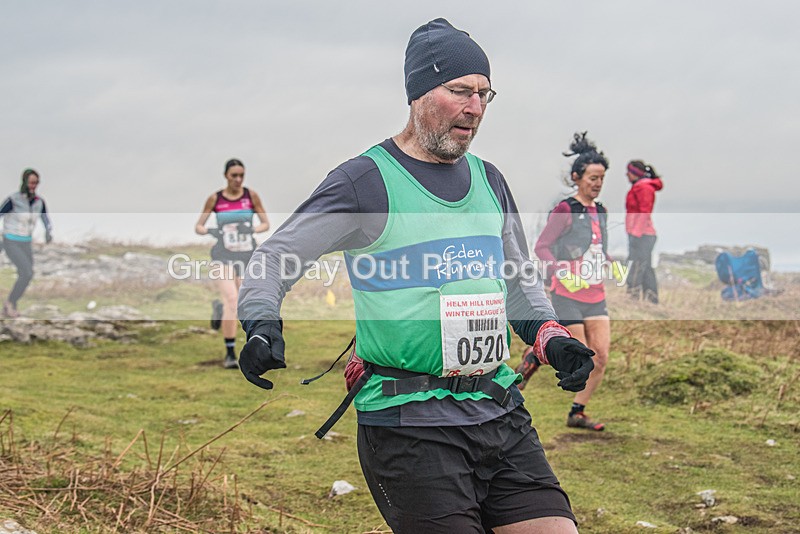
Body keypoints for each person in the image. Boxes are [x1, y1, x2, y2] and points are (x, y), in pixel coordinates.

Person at [237, 18, 596, 533]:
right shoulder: (365, 182)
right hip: (409, 425)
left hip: (498, 410)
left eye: (484, 94)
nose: (474, 108)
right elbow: (273, 259)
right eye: (459, 91)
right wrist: (261, 321)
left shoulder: (490, 181)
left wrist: (552, 338)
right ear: (419, 93)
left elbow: (519, 285)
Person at [521, 133, 621, 432]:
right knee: (576, 353)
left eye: (602, 178)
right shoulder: (565, 210)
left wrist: (611, 263)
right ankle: (538, 354)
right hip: (567, 293)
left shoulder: (600, 211)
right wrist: (560, 271)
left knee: (601, 356)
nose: (598, 183)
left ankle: (577, 412)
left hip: (596, 294)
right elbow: (542, 247)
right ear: (577, 177)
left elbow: (597, 247)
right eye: (593, 177)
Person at [195, 159, 269, 369]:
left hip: (247, 255)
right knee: (232, 299)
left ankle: (219, 310)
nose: (238, 179)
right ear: (226, 176)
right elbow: (198, 226)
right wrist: (211, 231)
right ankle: (230, 353)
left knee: (244, 302)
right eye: (233, 176)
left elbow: (266, 223)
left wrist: (252, 230)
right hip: (222, 255)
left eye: (241, 175)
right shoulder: (215, 199)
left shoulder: (251, 196)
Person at [0, 168, 53, 318]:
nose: (33, 186)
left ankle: (11, 305)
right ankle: (10, 304)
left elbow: (45, 219)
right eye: (31, 182)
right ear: (24, 182)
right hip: (11, 240)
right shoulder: (14, 200)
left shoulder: (39, 202)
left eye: (36, 183)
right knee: (26, 272)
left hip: (26, 242)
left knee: (27, 275)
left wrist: (48, 232)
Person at [625, 160, 662, 304]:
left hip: (642, 234)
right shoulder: (641, 186)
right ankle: (651, 299)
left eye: (628, 172)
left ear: (635, 173)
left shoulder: (643, 187)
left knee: (637, 266)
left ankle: (632, 296)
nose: (626, 175)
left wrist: (635, 233)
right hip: (642, 233)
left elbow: (644, 211)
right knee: (645, 267)